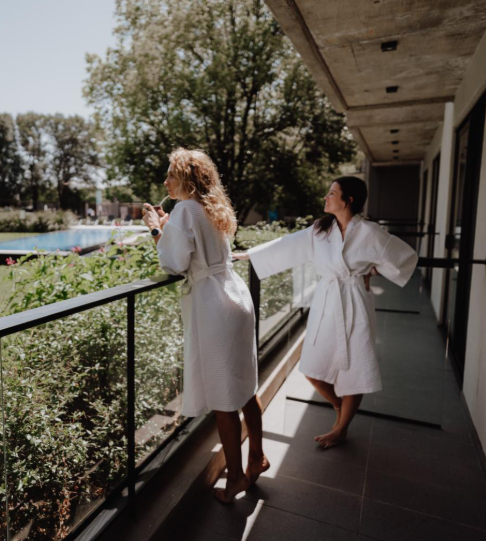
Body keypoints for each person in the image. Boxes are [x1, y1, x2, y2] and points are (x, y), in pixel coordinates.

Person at [235, 176, 417, 448]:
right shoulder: (321, 230)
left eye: (332, 193)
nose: (326, 197)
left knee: (355, 368)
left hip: (355, 303)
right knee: (311, 368)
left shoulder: (370, 232)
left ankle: (342, 428)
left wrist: (374, 269)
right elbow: (288, 244)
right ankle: (339, 407)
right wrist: (250, 254)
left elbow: (405, 258)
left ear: (349, 200)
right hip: (327, 301)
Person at [142, 148, 268, 504]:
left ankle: (236, 480)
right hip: (236, 297)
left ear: (186, 179)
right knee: (245, 385)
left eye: (170, 175)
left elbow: (174, 262)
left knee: (226, 399)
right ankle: (258, 455)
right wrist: (169, 227)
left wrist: (155, 229)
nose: (165, 181)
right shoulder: (211, 209)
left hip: (214, 307)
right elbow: (196, 246)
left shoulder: (185, 211)